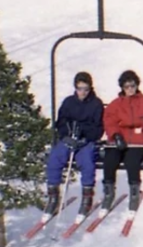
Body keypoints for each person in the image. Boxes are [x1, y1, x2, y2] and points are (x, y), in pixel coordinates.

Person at [101, 69, 143, 211]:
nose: (130, 89)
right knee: (109, 159)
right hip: (120, 140)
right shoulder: (116, 105)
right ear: (122, 88)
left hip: (138, 141)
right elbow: (109, 121)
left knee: (132, 161)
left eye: (132, 86)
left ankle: (134, 192)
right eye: (127, 87)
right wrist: (116, 136)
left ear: (137, 86)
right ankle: (108, 191)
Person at [43, 71, 104, 219]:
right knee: (55, 157)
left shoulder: (96, 104)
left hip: (85, 141)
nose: (82, 92)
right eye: (79, 88)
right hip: (70, 138)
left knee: (87, 161)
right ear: (75, 88)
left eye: (86, 89)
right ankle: (53, 197)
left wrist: (86, 137)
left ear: (90, 89)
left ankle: (87, 198)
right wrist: (66, 135)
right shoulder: (69, 102)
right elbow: (61, 122)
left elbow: (98, 127)